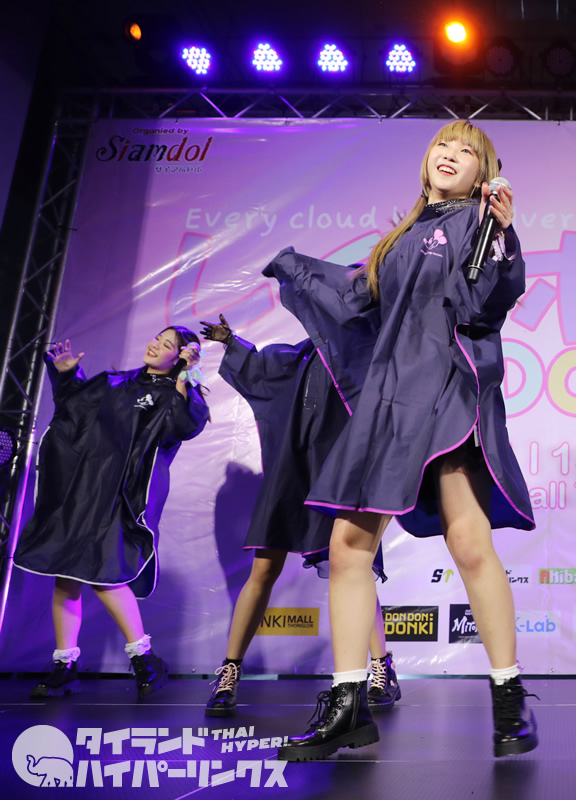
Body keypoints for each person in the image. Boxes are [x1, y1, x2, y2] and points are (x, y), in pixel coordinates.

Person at [263, 120, 536, 762]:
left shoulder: (477, 225)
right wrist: (299, 271)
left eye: (467, 151)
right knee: (347, 546)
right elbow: (356, 301)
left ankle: (508, 696)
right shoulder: (402, 236)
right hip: (390, 399)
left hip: (446, 389)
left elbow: (486, 302)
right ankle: (348, 701)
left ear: (484, 174)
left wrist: (501, 238)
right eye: (444, 144)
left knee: (469, 541)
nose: (451, 154)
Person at [198, 314, 400, 718]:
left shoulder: (369, 352)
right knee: (263, 570)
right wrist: (231, 342)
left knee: (354, 566)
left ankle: (381, 668)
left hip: (339, 475)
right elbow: (259, 371)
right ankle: (230, 671)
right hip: (289, 474)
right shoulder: (297, 357)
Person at [15, 328, 208, 699]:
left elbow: (185, 425)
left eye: (167, 345)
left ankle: (144, 657)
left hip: (122, 493)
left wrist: (188, 376)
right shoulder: (113, 382)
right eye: (157, 338)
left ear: (179, 357)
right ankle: (65, 666)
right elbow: (74, 410)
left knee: (105, 574)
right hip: (83, 488)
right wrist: (68, 374)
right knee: (65, 573)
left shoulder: (172, 393)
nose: (156, 345)